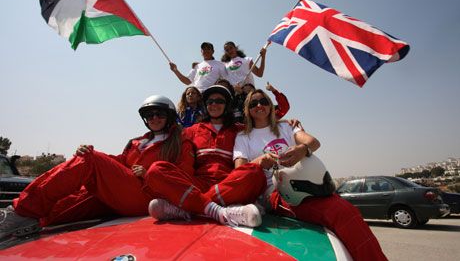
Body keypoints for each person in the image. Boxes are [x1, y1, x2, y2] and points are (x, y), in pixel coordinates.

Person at [0, 95, 194, 239]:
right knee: (74, 199)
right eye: (149, 114)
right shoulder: (137, 142)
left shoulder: (180, 141)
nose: (154, 118)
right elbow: (119, 162)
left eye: (159, 113)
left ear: (170, 116)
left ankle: (21, 211)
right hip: (123, 192)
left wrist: (149, 174)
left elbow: (184, 177)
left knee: (91, 160)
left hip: (146, 195)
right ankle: (30, 221)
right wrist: (87, 152)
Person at [233, 89, 388, 261]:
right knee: (341, 212)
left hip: (307, 183)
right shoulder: (243, 137)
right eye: (253, 103)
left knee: (346, 210)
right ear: (247, 110)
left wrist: (303, 149)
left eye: (263, 101)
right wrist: (260, 161)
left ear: (270, 105)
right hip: (274, 193)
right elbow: (239, 170)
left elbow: (313, 142)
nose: (259, 105)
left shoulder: (286, 126)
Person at [146, 85, 267, 227]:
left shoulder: (240, 129)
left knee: (255, 172)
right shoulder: (191, 130)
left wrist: (288, 123)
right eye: (210, 102)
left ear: (227, 105)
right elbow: (163, 137)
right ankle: (221, 211)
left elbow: (266, 127)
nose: (214, 104)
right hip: (198, 185)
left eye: (219, 101)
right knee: (155, 170)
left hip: (229, 183)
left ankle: (189, 209)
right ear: (205, 105)